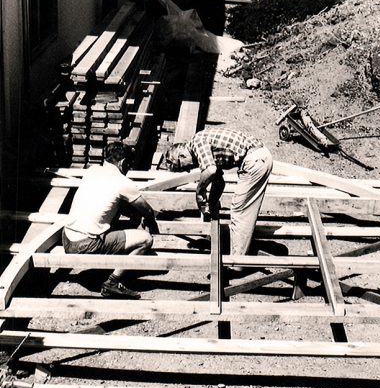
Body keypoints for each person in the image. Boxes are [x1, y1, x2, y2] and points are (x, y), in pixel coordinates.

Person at [63, 142, 157, 299]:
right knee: (146, 240)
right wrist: (151, 221)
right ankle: (112, 283)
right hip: (87, 245)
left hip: (67, 239)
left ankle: (104, 268)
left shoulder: (92, 171)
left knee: (112, 216)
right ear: (123, 162)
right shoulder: (123, 182)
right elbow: (147, 210)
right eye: (128, 165)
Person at [162, 127, 272, 260]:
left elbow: (211, 170)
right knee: (243, 211)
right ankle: (239, 251)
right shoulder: (205, 149)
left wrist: (199, 191)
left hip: (254, 160)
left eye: (184, 167)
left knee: (239, 212)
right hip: (259, 157)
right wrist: (211, 203)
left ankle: (236, 263)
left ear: (182, 155)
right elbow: (219, 182)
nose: (187, 170)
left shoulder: (197, 142)